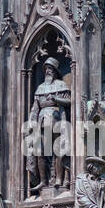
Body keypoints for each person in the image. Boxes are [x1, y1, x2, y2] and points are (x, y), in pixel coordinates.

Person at [28, 57, 71, 191]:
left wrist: (56, 99)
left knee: (58, 149)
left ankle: (59, 178)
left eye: (50, 69)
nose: (48, 71)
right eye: (46, 68)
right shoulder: (40, 88)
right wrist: (31, 121)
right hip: (41, 122)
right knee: (40, 151)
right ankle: (43, 181)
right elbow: (35, 108)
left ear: (55, 71)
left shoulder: (60, 85)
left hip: (56, 119)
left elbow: (69, 101)